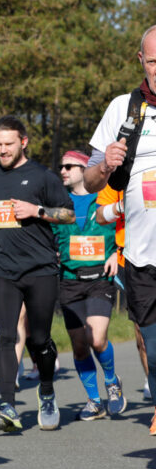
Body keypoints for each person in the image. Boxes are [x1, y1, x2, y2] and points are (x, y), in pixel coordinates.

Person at [0, 116, 74, 433]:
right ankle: (8, 405)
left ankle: (46, 390)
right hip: (2, 267)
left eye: (8, 144)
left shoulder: (43, 177)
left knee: (39, 339)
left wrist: (37, 211)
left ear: (23, 142)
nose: (2, 150)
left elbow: (68, 213)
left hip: (41, 269)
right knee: (5, 335)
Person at [83, 24, 156, 434]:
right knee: (153, 347)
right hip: (142, 255)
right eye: (153, 61)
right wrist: (105, 164)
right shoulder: (122, 109)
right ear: (141, 62)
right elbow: (92, 184)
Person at [51, 149, 124, 420]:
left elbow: (125, 226)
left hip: (100, 279)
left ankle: (112, 382)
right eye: (62, 166)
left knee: (97, 338)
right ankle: (94, 401)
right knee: (80, 345)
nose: (63, 171)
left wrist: (116, 252)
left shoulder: (103, 198)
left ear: (85, 170)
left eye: (70, 166)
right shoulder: (60, 203)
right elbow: (49, 237)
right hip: (69, 280)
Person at [95, 187, 150, 402]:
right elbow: (100, 216)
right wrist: (121, 206)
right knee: (143, 335)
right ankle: (152, 380)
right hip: (132, 262)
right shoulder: (119, 179)